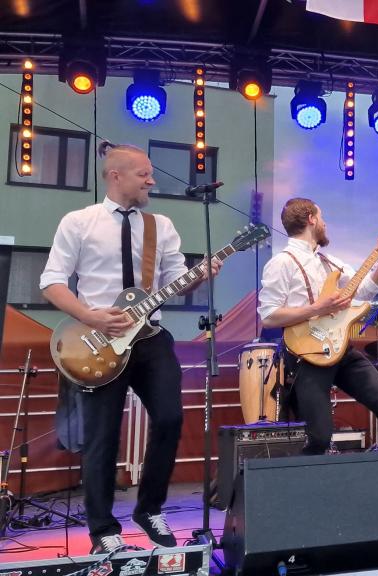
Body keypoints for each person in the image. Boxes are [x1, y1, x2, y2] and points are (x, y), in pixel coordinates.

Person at [40, 142, 222, 553]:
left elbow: (176, 281)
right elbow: (51, 282)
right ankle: (103, 531)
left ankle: (149, 508)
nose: (152, 181)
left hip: (150, 337)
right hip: (97, 342)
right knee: (102, 435)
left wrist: (200, 275)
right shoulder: (79, 221)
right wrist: (91, 316)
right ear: (115, 175)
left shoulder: (161, 226)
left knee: (171, 418)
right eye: (144, 174)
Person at [257, 198, 378, 511]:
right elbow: (268, 315)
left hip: (341, 348)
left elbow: (363, 293)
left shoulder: (330, 263)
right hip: (307, 354)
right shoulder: (281, 263)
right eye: (322, 218)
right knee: (319, 436)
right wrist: (317, 308)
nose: (325, 224)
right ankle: (294, 502)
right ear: (311, 219)